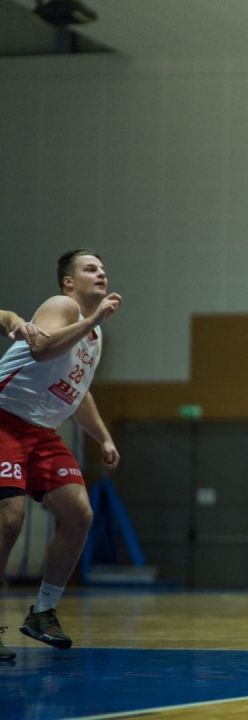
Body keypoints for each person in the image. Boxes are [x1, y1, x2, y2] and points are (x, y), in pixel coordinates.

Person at [0, 249, 122, 661]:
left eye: (103, 269)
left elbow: (77, 391)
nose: (101, 273)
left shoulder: (94, 334)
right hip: (5, 417)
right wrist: (93, 319)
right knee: (10, 517)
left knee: (78, 513)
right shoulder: (63, 306)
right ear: (69, 281)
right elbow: (41, 349)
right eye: (91, 268)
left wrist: (103, 437)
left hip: (41, 431)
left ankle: (43, 612)